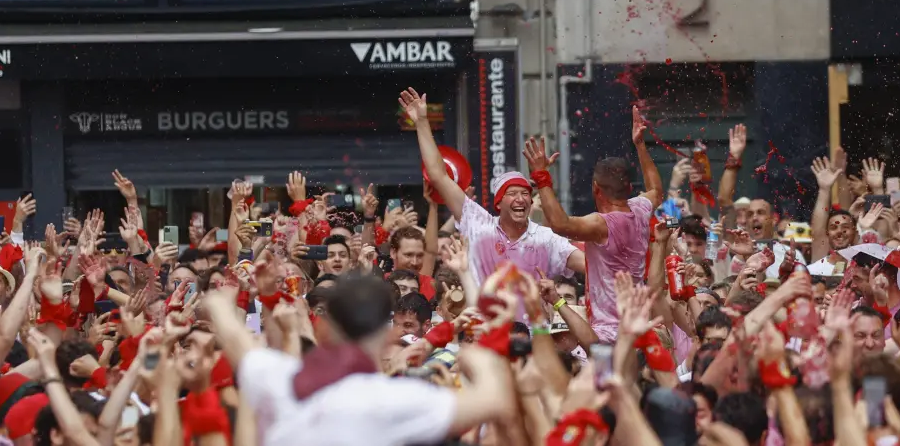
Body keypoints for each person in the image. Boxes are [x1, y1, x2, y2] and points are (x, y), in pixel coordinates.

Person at [208, 274, 518, 446]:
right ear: (387, 334)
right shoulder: (392, 400)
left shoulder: (279, 377)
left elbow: (235, 337)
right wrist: (490, 337)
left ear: (325, 329)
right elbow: (494, 400)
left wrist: (232, 299)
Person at [398, 87, 584, 284]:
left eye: (525, 194)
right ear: (498, 203)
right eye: (512, 193)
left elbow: (589, 265)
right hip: (482, 306)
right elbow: (438, 175)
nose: (520, 199)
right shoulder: (479, 224)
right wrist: (422, 122)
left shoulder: (545, 238)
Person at [522, 105, 664, 343]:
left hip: (610, 336)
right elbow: (657, 191)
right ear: (629, 188)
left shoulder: (601, 225)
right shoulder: (640, 209)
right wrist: (640, 145)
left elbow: (559, 224)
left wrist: (541, 176)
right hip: (639, 328)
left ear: (596, 189)